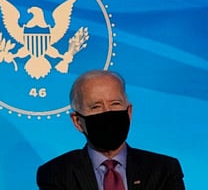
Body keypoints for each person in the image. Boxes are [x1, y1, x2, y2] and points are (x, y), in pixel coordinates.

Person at [36, 69, 185, 190]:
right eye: (96, 106)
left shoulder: (164, 169)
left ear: (129, 112)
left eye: (115, 104)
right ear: (77, 121)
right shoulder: (55, 174)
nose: (107, 112)